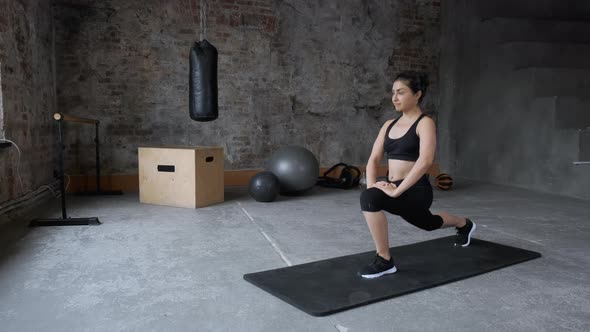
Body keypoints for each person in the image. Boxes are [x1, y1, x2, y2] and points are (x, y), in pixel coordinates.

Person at [358, 71, 476, 279]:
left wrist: (397, 192)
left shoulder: (425, 123)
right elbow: (373, 160)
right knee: (426, 222)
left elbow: (425, 161)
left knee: (428, 224)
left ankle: (385, 261)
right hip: (393, 187)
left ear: (417, 94)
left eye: (401, 92)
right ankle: (464, 224)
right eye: (393, 92)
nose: (394, 97)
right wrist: (374, 186)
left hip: (416, 190)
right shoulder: (388, 125)